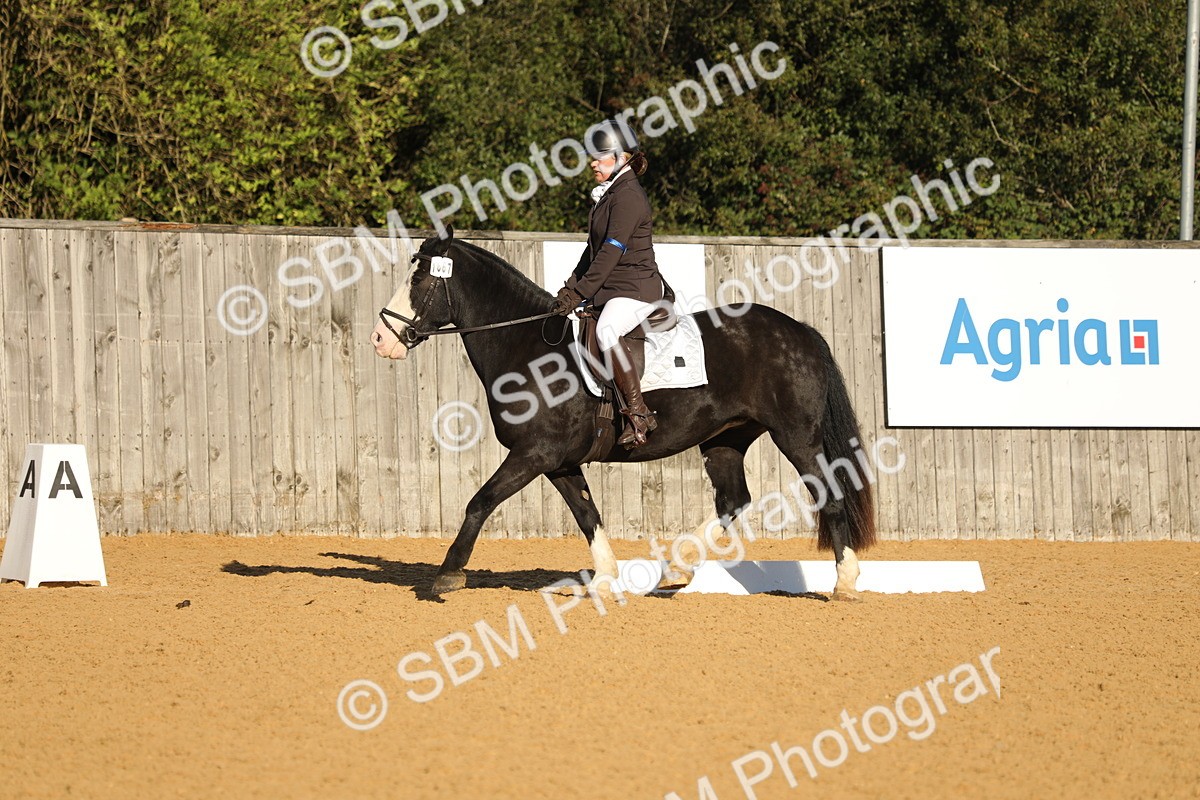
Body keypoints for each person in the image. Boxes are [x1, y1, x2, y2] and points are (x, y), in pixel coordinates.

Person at [551, 120, 666, 448]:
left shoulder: (628, 197)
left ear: (620, 158)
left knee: (606, 330)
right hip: (614, 288)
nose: (592, 162)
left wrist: (582, 293)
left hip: (636, 288)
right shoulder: (611, 195)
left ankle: (638, 412)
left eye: (599, 156)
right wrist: (570, 287)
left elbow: (611, 254)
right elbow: (593, 252)